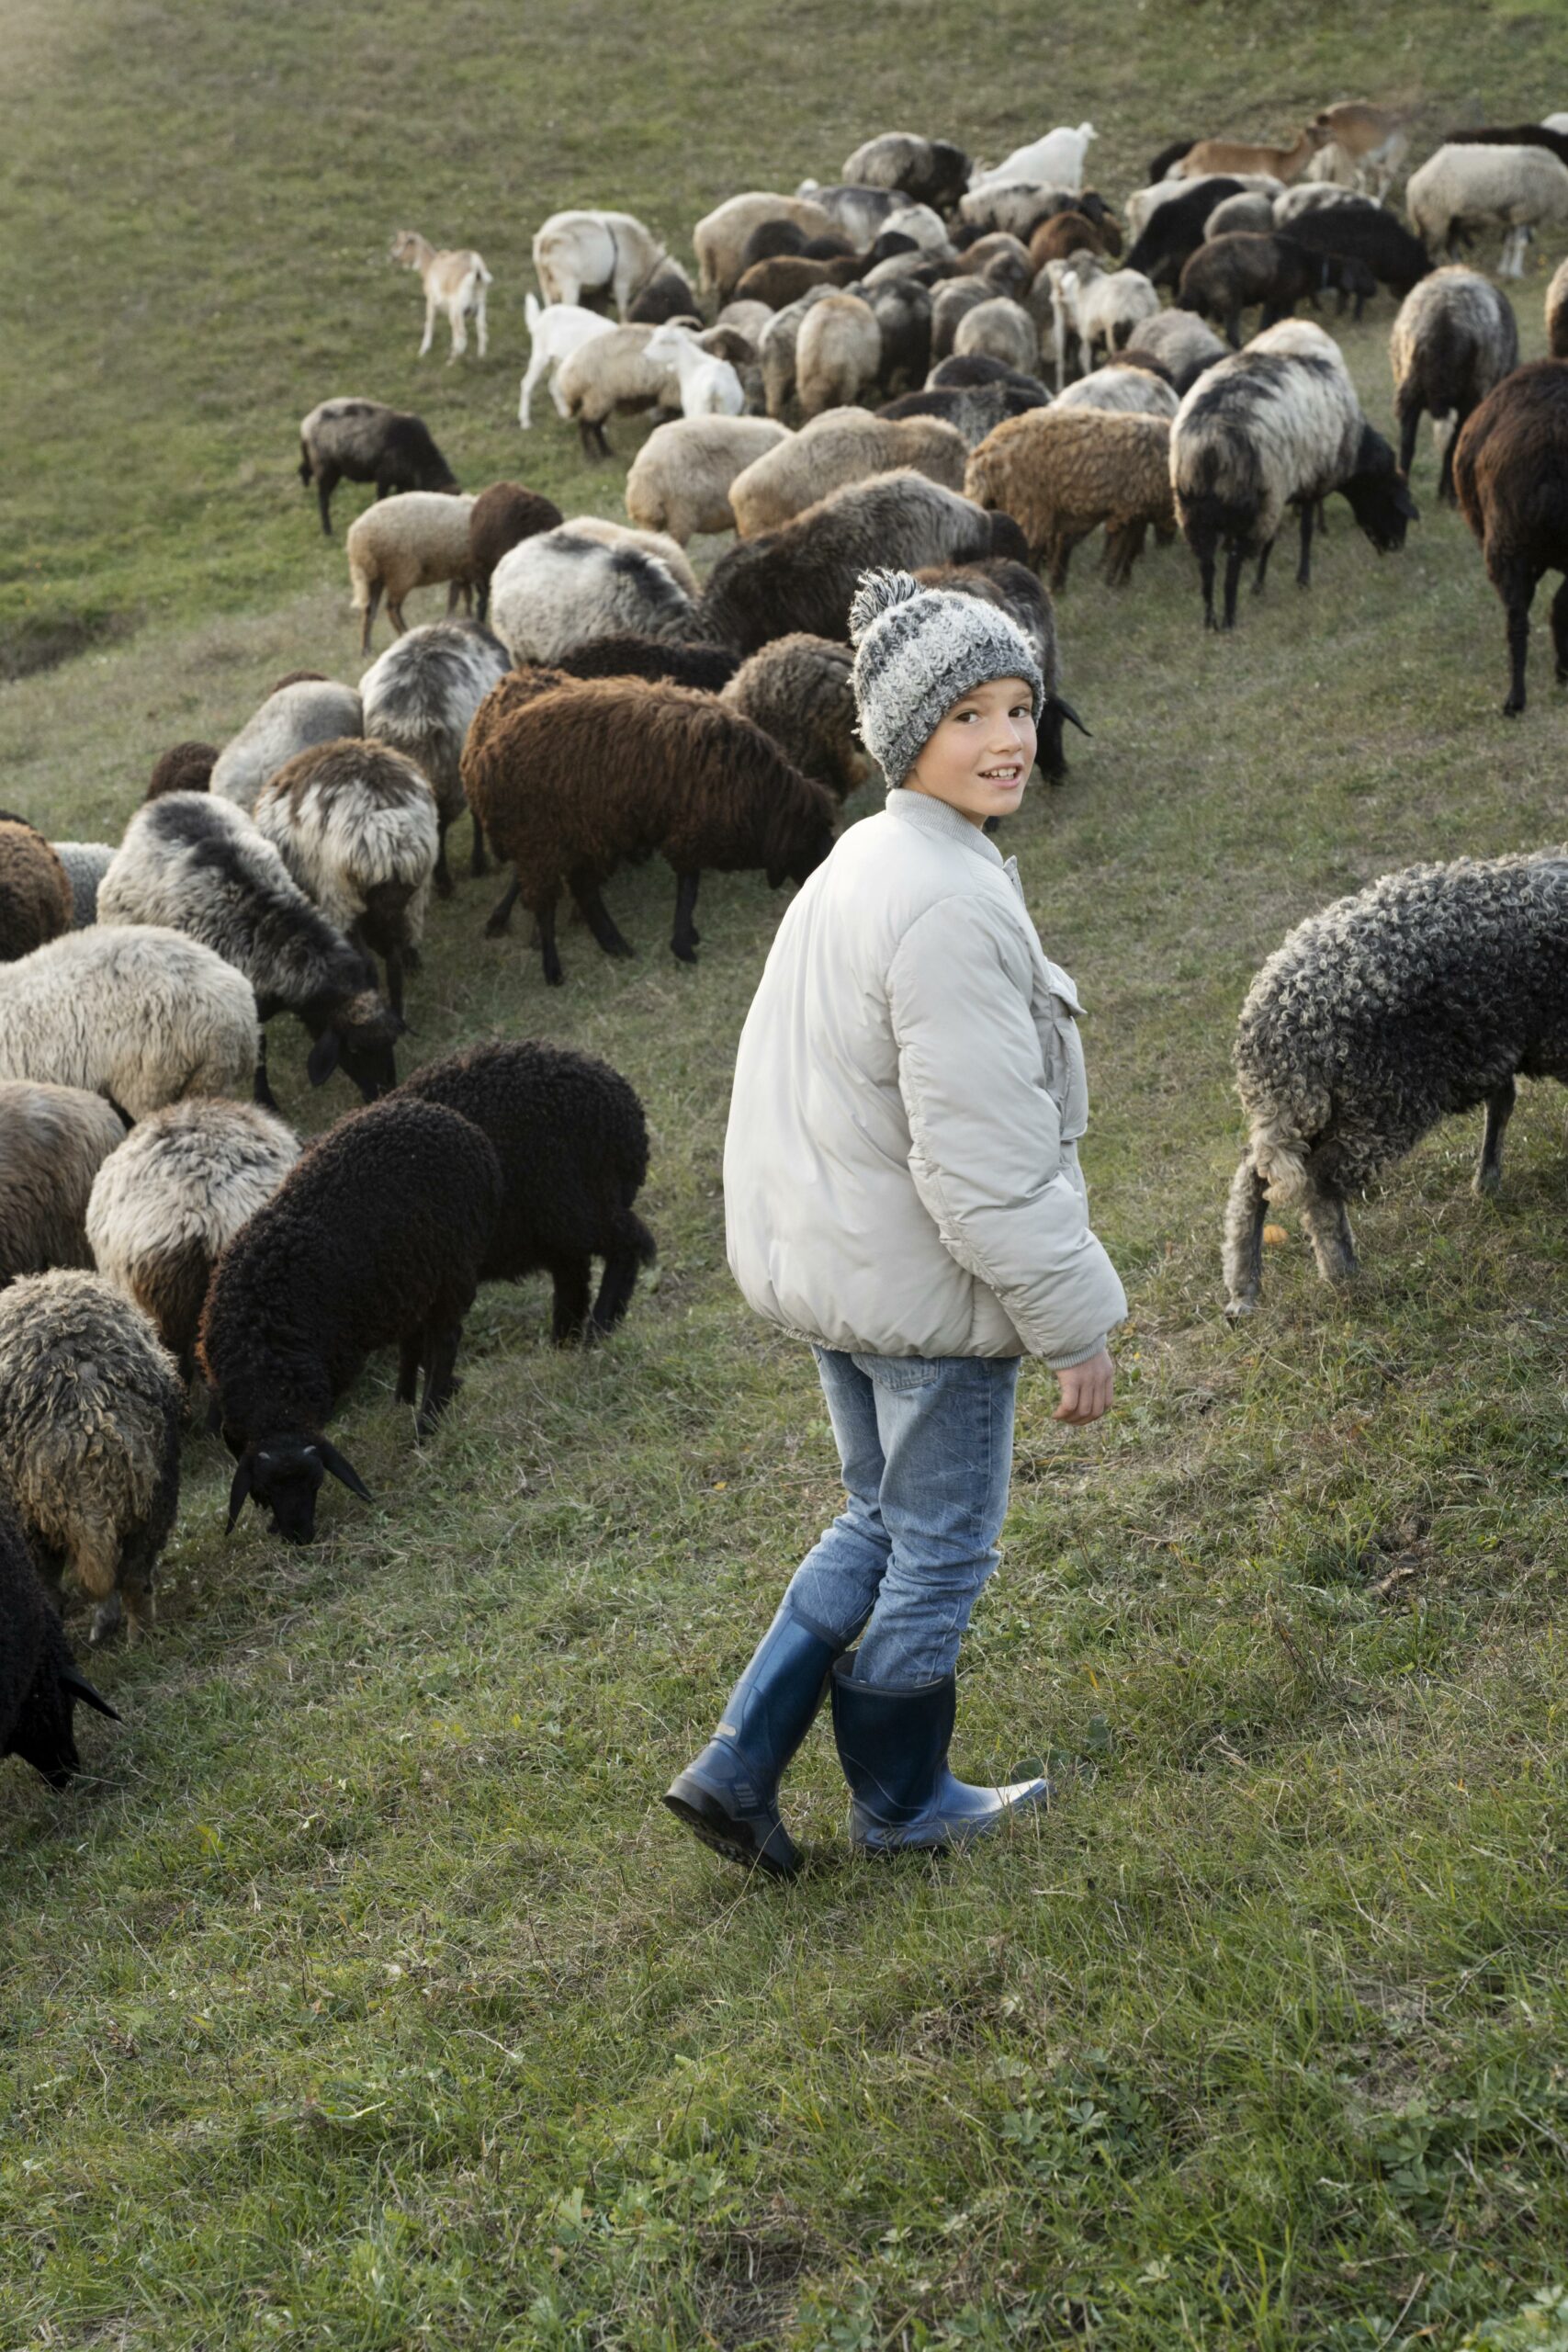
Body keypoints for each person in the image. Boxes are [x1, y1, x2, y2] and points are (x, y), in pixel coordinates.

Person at [665, 569, 1127, 1877]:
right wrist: (1075, 1323)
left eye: (1021, 706)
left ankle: (740, 1764)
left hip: (847, 1274)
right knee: (941, 1545)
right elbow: (981, 1161)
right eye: (971, 713)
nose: (1010, 740)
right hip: (926, 1295)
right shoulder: (944, 898)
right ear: (902, 731)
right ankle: (904, 1802)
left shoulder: (867, 858)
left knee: (876, 1513)